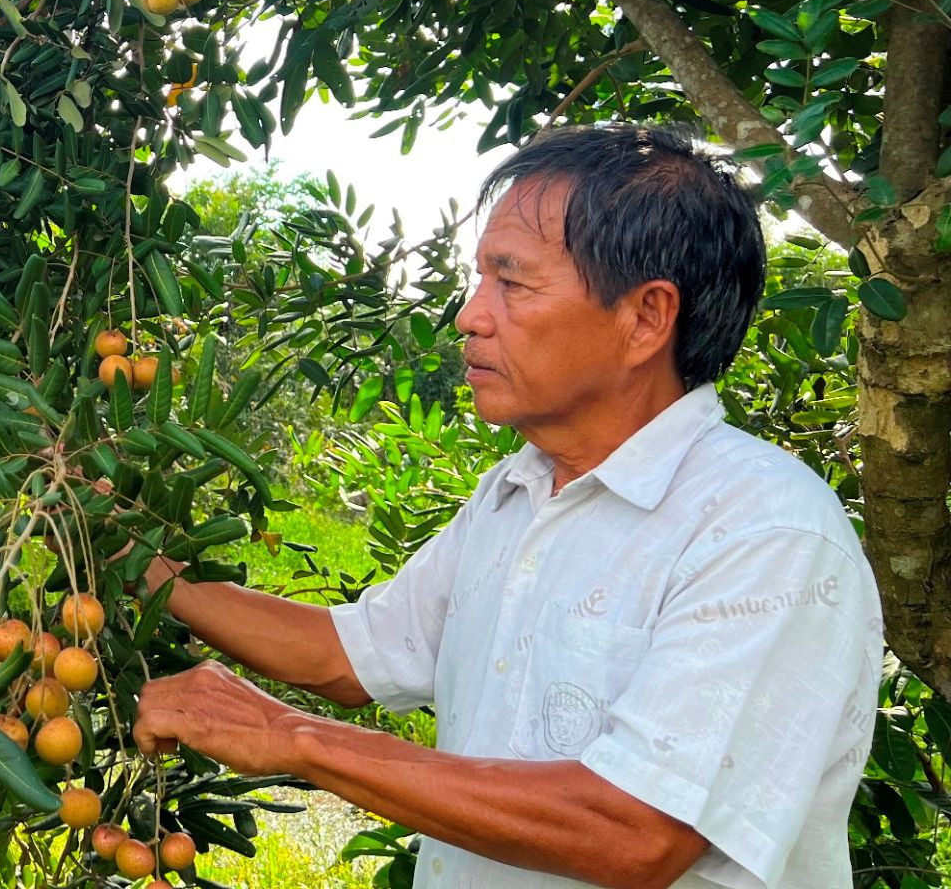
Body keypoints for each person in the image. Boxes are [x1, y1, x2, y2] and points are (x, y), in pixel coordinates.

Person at [132, 124, 882, 889]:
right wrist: (147, 571)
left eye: (512, 283)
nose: (470, 315)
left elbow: (634, 832)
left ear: (646, 318)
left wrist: (292, 738)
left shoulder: (764, 529)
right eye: (479, 280)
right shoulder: (517, 493)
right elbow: (348, 656)